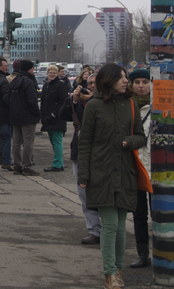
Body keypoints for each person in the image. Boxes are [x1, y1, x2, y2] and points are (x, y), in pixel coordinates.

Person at [78, 64, 145, 289]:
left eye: (126, 77)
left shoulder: (131, 104)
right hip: (101, 172)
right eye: (121, 77)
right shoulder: (94, 106)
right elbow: (85, 142)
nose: (126, 81)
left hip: (125, 172)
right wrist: (84, 174)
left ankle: (118, 269)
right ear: (109, 80)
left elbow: (141, 136)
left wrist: (129, 141)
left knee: (121, 226)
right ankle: (110, 273)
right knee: (110, 225)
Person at [69, 73, 101, 245]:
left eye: (95, 83)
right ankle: (94, 230)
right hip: (79, 152)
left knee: (102, 193)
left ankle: (107, 228)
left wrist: (91, 101)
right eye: (89, 83)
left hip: (100, 154)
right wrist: (74, 101)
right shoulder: (81, 102)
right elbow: (64, 115)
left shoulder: (105, 102)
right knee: (84, 194)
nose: (92, 86)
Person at [128, 68, 152, 268]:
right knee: (139, 214)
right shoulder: (127, 106)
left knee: (161, 213)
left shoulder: (161, 105)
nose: (141, 86)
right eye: (137, 82)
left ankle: (164, 251)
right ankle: (143, 253)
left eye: (145, 82)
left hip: (159, 168)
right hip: (135, 166)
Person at [8, 60, 41, 176]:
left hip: (15, 115)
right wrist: (37, 113)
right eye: (32, 68)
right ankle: (27, 165)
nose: (33, 70)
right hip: (28, 116)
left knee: (16, 142)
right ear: (28, 69)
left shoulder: (14, 80)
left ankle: (17, 165)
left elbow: (8, 98)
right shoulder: (29, 82)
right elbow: (32, 101)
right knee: (28, 142)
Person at [40, 65, 69, 173]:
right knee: (53, 141)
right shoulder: (46, 85)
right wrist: (42, 115)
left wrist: (53, 114)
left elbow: (63, 102)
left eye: (54, 72)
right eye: (50, 72)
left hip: (57, 118)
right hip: (47, 118)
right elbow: (43, 102)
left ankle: (58, 164)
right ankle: (58, 162)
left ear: (57, 74)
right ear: (47, 73)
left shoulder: (60, 85)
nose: (52, 74)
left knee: (57, 141)